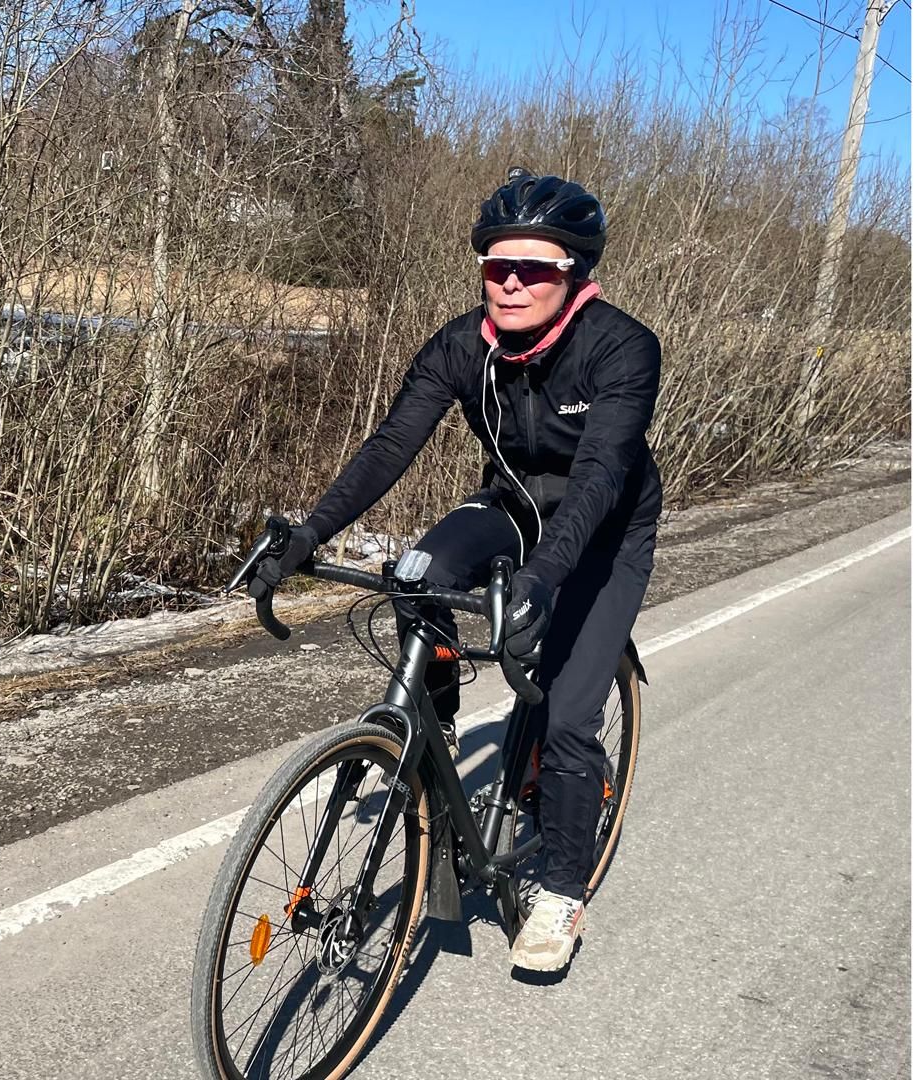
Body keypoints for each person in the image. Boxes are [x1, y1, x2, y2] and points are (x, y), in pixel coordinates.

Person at [249, 167, 662, 973]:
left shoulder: (621, 346)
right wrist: (310, 535)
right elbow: (390, 446)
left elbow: (600, 476)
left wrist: (540, 582)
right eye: (497, 265)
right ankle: (426, 739)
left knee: (568, 715)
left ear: (574, 272)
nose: (510, 282)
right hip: (513, 501)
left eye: (534, 267)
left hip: (605, 528)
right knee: (416, 573)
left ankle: (561, 890)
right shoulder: (461, 345)